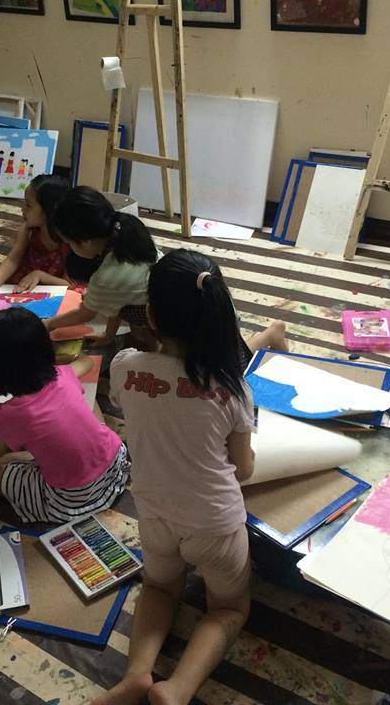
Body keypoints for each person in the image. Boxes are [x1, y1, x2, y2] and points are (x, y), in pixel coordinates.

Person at [103, 249, 257, 705]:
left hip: (153, 512)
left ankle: (137, 674)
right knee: (228, 607)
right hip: (214, 524)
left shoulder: (124, 366)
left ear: (150, 315)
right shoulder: (233, 389)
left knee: (158, 587)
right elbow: (243, 469)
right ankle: (178, 688)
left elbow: (144, 412)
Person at [0, 307, 129, 523]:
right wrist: (62, 360)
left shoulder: (11, 414)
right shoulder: (63, 375)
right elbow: (87, 362)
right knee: (84, 400)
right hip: (115, 465)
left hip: (71, 497)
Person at [45, 187, 159, 348]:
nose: (69, 248)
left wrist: (49, 324)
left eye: (69, 243)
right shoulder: (127, 234)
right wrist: (109, 335)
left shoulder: (105, 278)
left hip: (168, 324)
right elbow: (118, 297)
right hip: (166, 301)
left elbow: (85, 314)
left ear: (85, 242)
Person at [0, 174, 70, 295]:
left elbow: (69, 284)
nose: (22, 209)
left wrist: (40, 275)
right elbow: (12, 260)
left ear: (48, 211)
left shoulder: (69, 241)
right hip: (22, 288)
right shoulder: (28, 230)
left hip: (54, 292)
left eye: (28, 205)